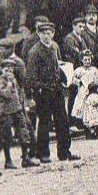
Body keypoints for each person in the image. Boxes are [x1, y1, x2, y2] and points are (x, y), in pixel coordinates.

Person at [26, 21, 72, 162]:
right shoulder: (34, 52)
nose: (47, 36)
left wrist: (64, 78)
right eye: (44, 33)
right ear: (39, 34)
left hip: (57, 90)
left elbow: (59, 64)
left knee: (62, 122)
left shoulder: (55, 46)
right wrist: (36, 91)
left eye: (50, 33)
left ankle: (64, 152)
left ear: (53, 33)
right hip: (43, 92)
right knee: (44, 123)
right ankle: (43, 154)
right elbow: (31, 77)